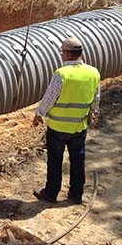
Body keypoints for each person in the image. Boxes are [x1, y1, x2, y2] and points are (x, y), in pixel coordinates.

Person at [32, 36, 100, 205]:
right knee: (78, 160)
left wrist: (39, 113)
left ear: (68, 53)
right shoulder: (93, 73)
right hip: (79, 126)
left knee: (55, 161)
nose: (62, 54)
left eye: (63, 52)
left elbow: (50, 97)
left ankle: (51, 193)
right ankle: (76, 195)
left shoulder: (62, 73)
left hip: (58, 127)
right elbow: (96, 98)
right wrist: (92, 113)